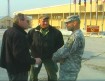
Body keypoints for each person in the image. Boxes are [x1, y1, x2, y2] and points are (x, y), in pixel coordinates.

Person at [0, 13, 41, 81]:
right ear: (20, 21)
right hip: (19, 70)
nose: (29, 23)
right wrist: (34, 61)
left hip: (11, 67)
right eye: (27, 21)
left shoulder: (8, 31)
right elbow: (19, 55)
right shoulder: (19, 35)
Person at [28, 14, 64, 81]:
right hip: (36, 58)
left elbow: (60, 44)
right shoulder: (32, 32)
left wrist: (53, 53)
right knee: (33, 75)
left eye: (47, 21)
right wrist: (33, 53)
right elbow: (28, 43)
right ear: (39, 21)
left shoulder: (56, 32)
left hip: (50, 58)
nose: (46, 23)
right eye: (44, 21)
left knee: (52, 75)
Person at [52, 15, 85, 81]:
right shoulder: (76, 34)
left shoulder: (76, 36)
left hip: (70, 69)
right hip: (70, 67)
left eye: (68, 23)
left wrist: (54, 57)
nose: (66, 25)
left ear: (75, 23)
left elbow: (65, 51)